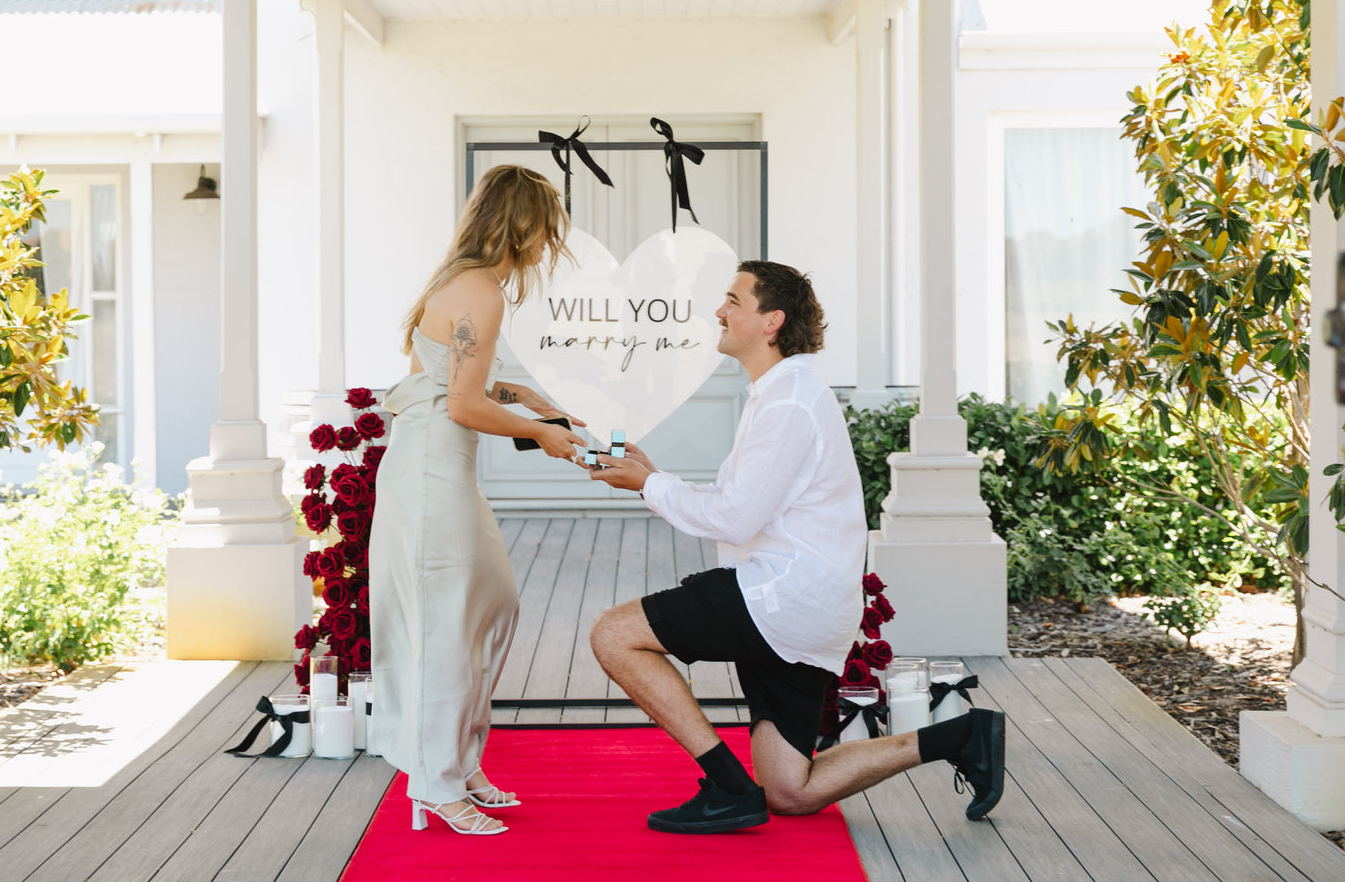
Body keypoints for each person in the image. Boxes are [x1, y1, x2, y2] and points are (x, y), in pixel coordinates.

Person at [585, 260, 1005, 833]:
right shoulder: (784, 393)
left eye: (733, 300)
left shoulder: (787, 402)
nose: (719, 311)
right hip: (803, 605)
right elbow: (743, 503)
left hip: (781, 596)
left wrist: (648, 486)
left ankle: (727, 786)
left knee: (613, 634)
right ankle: (959, 735)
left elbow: (734, 519)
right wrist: (653, 477)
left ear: (772, 321)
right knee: (790, 791)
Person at [371, 165, 588, 836]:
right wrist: (540, 433)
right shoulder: (480, 293)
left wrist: (524, 399)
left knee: (493, 601)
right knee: (447, 623)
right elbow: (462, 404)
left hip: (436, 467)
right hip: (431, 474)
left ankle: (458, 760)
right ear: (520, 225)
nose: (547, 244)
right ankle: (436, 783)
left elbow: (446, 383)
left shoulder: (463, 284)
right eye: (545, 229)